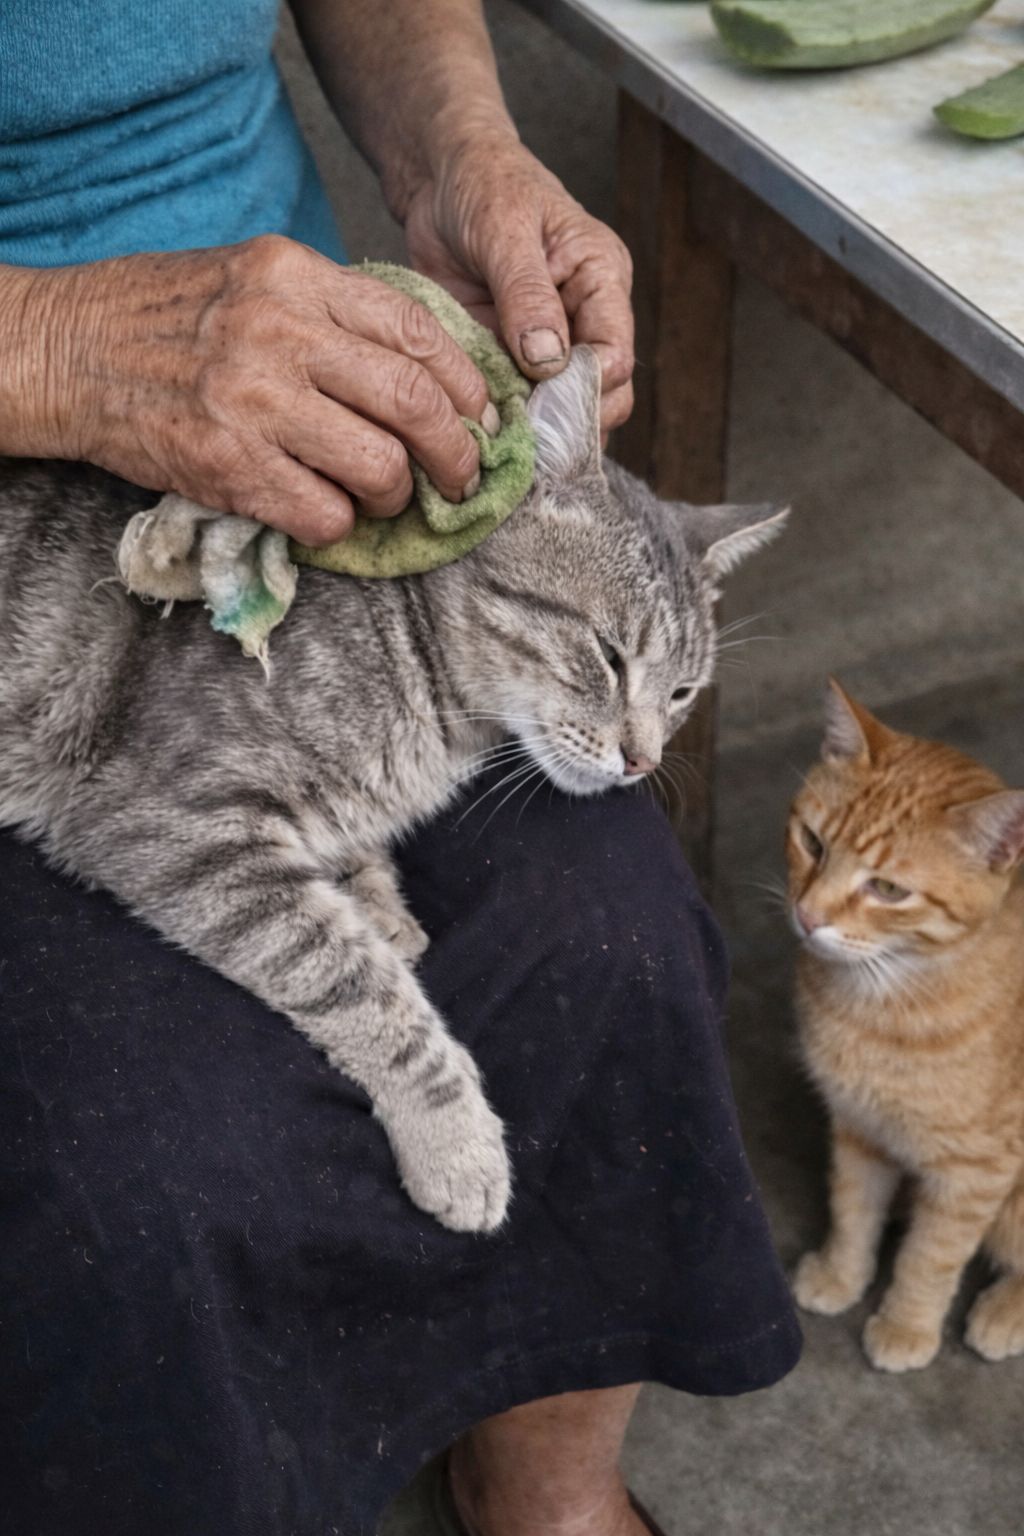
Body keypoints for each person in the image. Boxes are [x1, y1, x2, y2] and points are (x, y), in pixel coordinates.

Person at [0, 4, 801, 1534]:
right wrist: (54, 351)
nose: (646, 746)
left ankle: (543, 1479)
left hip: (293, 401)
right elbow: (169, 825)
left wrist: (461, 156)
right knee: (144, 1160)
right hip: (54, 521)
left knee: (618, 946)